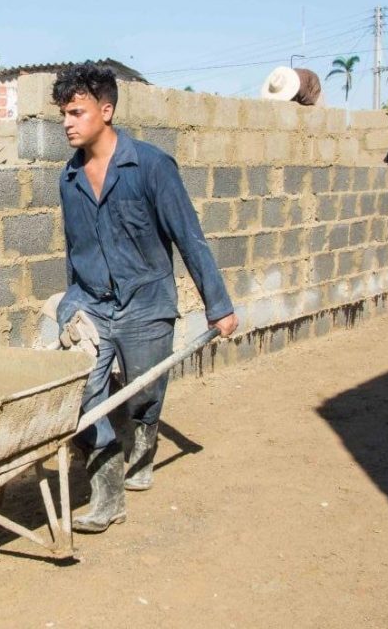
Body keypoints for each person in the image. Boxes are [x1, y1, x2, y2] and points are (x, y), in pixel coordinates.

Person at [53, 62, 239, 533]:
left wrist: (219, 306)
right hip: (93, 304)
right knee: (85, 396)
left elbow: (189, 237)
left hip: (146, 304)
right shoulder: (69, 179)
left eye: (76, 112)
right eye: (63, 114)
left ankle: (142, 450)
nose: (67, 123)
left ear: (107, 110)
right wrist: (70, 304)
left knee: (143, 399)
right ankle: (107, 495)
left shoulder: (152, 166)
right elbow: (75, 249)